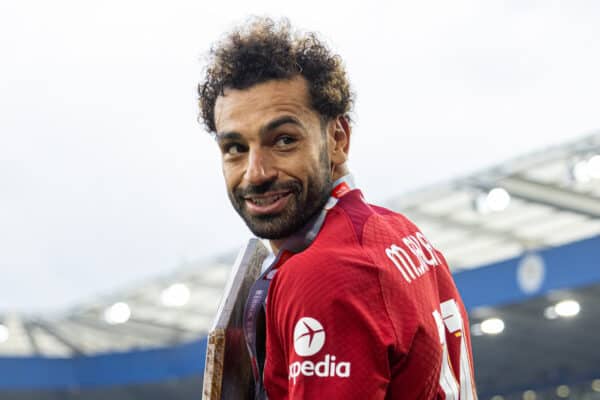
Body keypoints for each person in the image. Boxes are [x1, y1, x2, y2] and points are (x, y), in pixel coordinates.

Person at [198, 18, 477, 400]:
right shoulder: (401, 233)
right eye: (235, 148)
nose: (255, 173)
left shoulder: (324, 275)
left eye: (283, 140)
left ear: (337, 139)